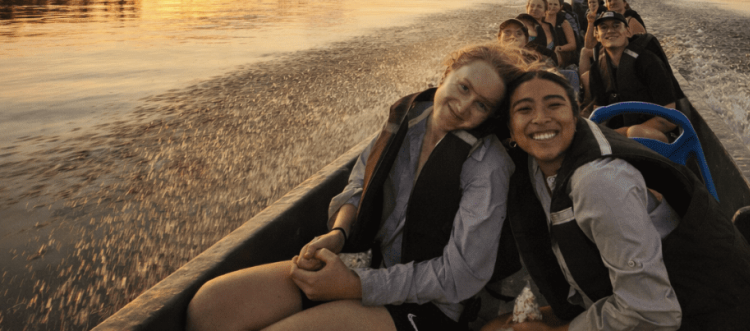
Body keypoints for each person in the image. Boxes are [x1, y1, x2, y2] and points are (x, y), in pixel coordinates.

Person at [186, 43, 528, 331]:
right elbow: (357, 185)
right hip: (368, 265)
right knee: (210, 307)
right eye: (464, 87)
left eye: (481, 104)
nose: (465, 105)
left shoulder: (488, 167)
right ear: (446, 74)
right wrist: (338, 236)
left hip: (429, 306)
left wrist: (355, 286)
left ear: (489, 115)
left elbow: (462, 276)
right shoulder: (407, 122)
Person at [484, 70, 750, 331]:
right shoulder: (538, 170)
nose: (540, 118)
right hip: (638, 305)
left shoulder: (599, 182)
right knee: (496, 326)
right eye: (524, 109)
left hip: (703, 318)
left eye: (554, 104)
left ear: (575, 116)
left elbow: (653, 315)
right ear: (510, 129)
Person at [581, 12, 689, 142]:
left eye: (616, 26)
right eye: (604, 27)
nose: (610, 31)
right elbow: (600, 114)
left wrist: (620, 135)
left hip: (655, 137)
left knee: (635, 132)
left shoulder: (649, 62)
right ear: (597, 36)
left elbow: (669, 120)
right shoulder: (597, 68)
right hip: (616, 139)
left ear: (627, 31)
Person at [545, 0, 578, 68]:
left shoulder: (564, 22)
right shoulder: (539, 21)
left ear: (560, 7)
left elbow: (573, 45)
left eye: (555, 4)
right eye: (549, 4)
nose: (552, 6)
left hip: (561, 53)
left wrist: (559, 48)